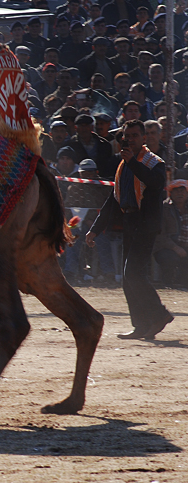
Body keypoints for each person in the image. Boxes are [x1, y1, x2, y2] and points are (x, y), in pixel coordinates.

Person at [86, 120, 173, 340]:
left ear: (143, 138)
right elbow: (114, 199)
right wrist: (95, 229)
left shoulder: (153, 162)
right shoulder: (124, 164)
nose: (131, 139)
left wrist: (132, 162)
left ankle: (159, 315)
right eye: (128, 135)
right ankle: (141, 325)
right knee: (128, 277)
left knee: (133, 273)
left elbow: (156, 183)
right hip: (130, 222)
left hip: (146, 223)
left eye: (135, 135)